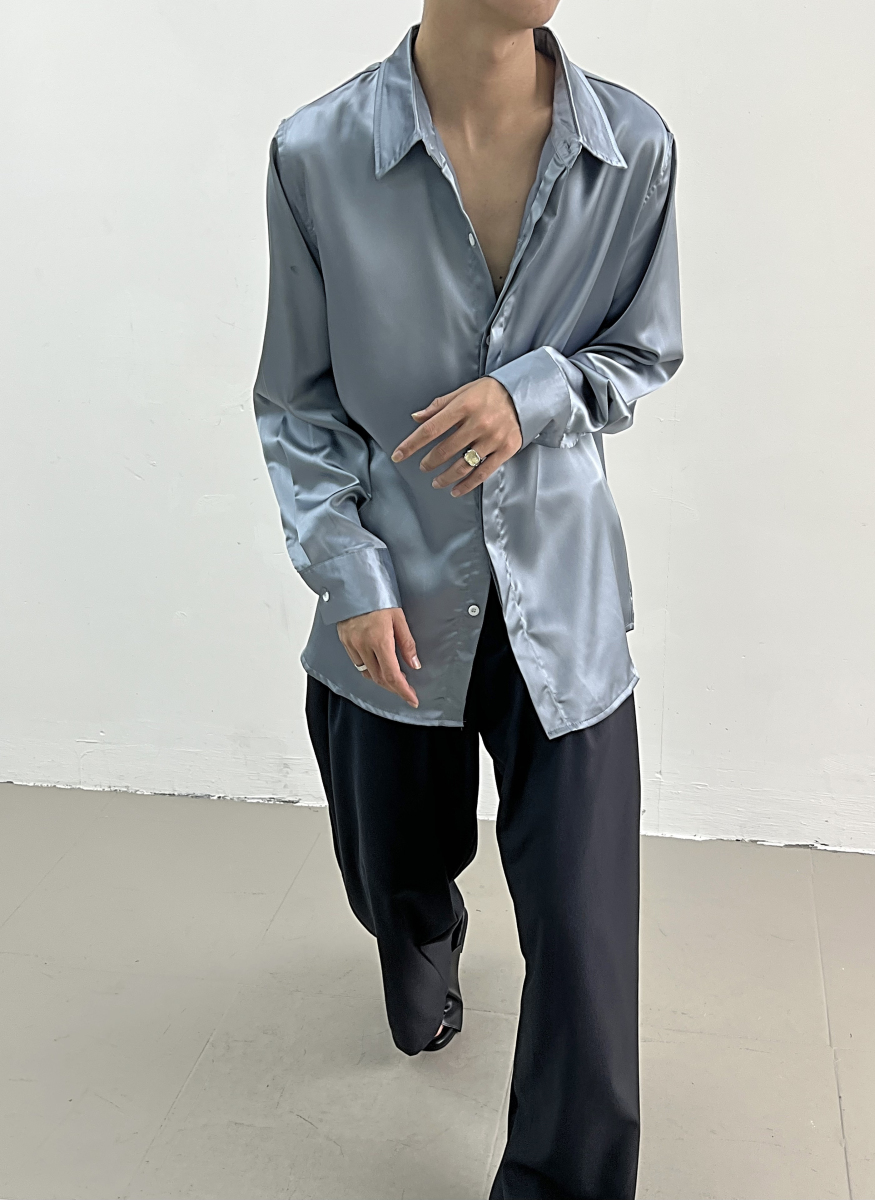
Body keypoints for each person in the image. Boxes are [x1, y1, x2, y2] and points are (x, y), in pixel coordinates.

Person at [252, 0, 682, 1194]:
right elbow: (297, 403)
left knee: (586, 943)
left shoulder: (632, 149)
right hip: (391, 600)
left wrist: (531, 394)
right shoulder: (316, 154)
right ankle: (426, 935)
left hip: (562, 601)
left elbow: (642, 350)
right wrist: (347, 574)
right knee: (391, 872)